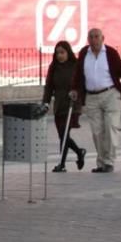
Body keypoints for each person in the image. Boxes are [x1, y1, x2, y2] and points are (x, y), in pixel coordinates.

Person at [70, 28, 121, 173]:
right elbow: (78, 73)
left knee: (110, 127)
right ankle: (101, 162)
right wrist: (75, 89)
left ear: (102, 38)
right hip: (91, 96)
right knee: (97, 131)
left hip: (110, 94)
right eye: (91, 37)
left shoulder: (111, 53)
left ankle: (109, 161)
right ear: (88, 39)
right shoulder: (84, 53)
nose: (94, 40)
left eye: (96, 37)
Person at [43, 41, 86, 172]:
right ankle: (79, 152)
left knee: (64, 133)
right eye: (57, 53)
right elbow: (49, 86)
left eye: (62, 52)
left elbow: (82, 84)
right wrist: (45, 102)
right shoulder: (54, 67)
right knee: (63, 134)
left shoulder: (76, 66)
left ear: (68, 52)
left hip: (72, 104)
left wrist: (78, 95)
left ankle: (61, 164)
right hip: (59, 104)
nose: (60, 55)